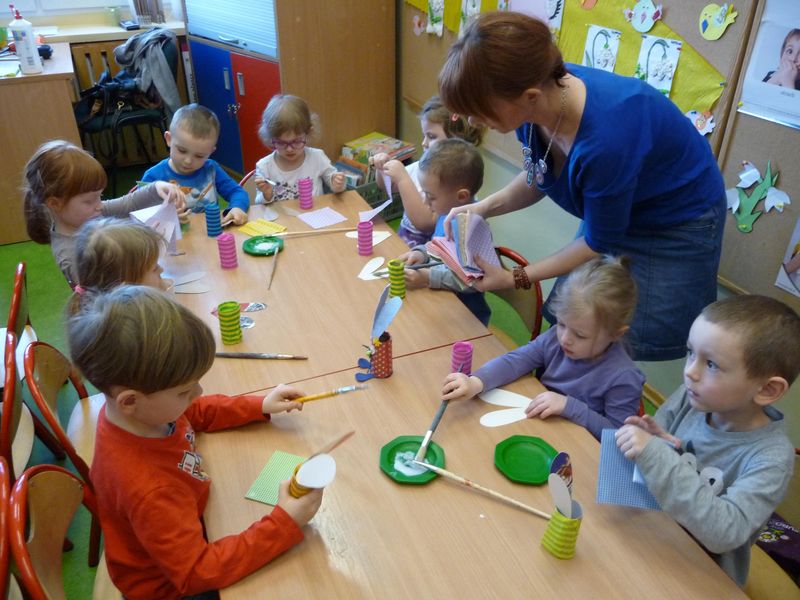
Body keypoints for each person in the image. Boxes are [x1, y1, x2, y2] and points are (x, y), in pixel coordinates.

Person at [437, 11, 726, 361]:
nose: (472, 121)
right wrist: (485, 206)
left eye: (479, 111)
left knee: (610, 342)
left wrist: (515, 277)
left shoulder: (607, 138)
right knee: (572, 319)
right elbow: (540, 173)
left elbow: (598, 240)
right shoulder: (537, 94)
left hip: (675, 220)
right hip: (621, 202)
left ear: (529, 96)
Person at [68, 285, 322, 599]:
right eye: (184, 390)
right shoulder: (150, 488)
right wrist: (285, 522)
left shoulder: (145, 415)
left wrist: (258, 406)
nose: (198, 393)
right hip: (171, 588)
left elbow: (194, 411)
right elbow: (196, 573)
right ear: (130, 401)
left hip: (187, 530)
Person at [615, 295, 800, 587]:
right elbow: (658, 463)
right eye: (691, 353)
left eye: (711, 364)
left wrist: (655, 454)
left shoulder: (772, 457)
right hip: (652, 537)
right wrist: (657, 440)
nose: (690, 371)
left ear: (766, 389)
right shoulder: (693, 398)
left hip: (701, 577)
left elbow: (724, 532)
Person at [442, 255, 644, 440]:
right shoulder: (555, 339)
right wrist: (476, 382)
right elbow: (517, 360)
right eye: (562, 324)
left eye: (580, 335)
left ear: (616, 333)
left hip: (578, 449)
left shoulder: (624, 378)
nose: (565, 338)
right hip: (538, 427)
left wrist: (569, 406)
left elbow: (618, 438)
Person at [22, 140, 185, 288]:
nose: (99, 205)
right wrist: (146, 245)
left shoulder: (89, 213)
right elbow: (113, 289)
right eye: (89, 200)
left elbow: (128, 203)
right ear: (55, 203)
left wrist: (156, 187)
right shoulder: (70, 254)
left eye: (99, 196)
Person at [397, 138, 490, 326]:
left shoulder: (471, 228)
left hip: (465, 318)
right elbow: (439, 245)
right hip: (440, 303)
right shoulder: (447, 211)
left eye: (431, 197)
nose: (425, 202)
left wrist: (427, 277)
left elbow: (472, 281)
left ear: (461, 196)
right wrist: (422, 253)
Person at [371, 96, 485, 247]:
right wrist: (381, 167)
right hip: (405, 243)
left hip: (426, 253)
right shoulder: (423, 166)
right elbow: (387, 186)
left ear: (454, 141)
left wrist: (403, 179)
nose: (423, 143)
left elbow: (426, 223)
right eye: (424, 135)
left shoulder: (452, 184)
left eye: (431, 136)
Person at [141, 103, 250, 225]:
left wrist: (237, 207)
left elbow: (238, 192)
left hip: (209, 236)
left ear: (210, 152)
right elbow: (140, 211)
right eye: (182, 151)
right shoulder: (153, 176)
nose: (188, 161)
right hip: (174, 239)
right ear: (169, 139)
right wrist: (164, 216)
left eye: (199, 156)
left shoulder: (211, 169)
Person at [254, 94, 345, 203]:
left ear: (308, 133)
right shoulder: (265, 166)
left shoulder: (317, 157)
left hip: (314, 217)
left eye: (296, 141)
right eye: (281, 143)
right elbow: (258, 205)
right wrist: (266, 194)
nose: (289, 149)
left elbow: (334, 183)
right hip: (280, 219)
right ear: (270, 138)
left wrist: (337, 184)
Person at [67, 217, 169, 315]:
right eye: (155, 269)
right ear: (125, 286)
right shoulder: (135, 327)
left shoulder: (125, 311)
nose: (162, 269)